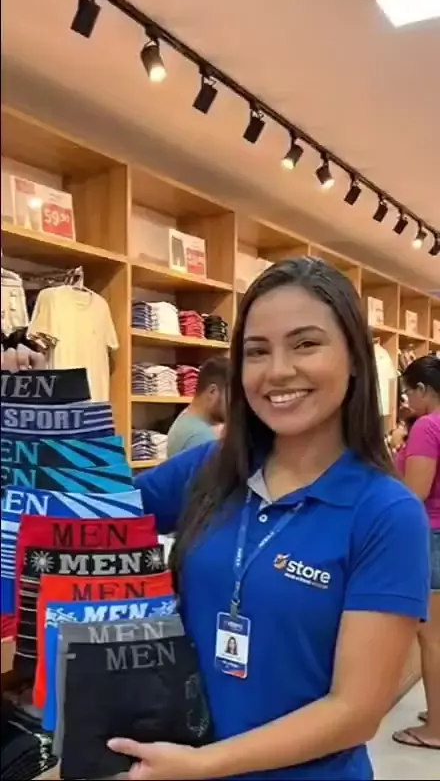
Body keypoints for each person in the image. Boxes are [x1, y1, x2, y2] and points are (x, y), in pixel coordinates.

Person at [109, 258, 430, 780]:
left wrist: (204, 765)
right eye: (257, 351)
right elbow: (90, 511)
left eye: (305, 344)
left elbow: (355, 711)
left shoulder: (386, 514)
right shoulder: (210, 469)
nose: (278, 371)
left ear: (354, 359)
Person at [392, 355, 440, 751]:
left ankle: (436, 729)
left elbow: (416, 493)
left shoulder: (427, 426)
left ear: (424, 389)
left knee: (432, 638)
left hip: (432, 536)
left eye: (408, 392)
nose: (406, 400)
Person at [167, 357, 229, 457]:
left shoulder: (187, 418)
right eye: (232, 397)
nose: (234, 405)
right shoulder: (200, 438)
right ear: (212, 392)